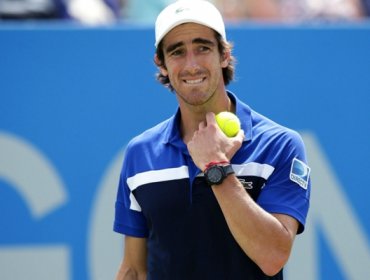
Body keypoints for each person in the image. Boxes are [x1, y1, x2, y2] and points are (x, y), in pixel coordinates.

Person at [113, 0, 311, 279]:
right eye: (177, 52)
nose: (191, 64)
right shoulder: (140, 153)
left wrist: (216, 167)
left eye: (203, 48)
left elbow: (273, 256)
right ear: (162, 63)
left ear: (224, 55)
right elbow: (134, 269)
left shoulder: (279, 144)